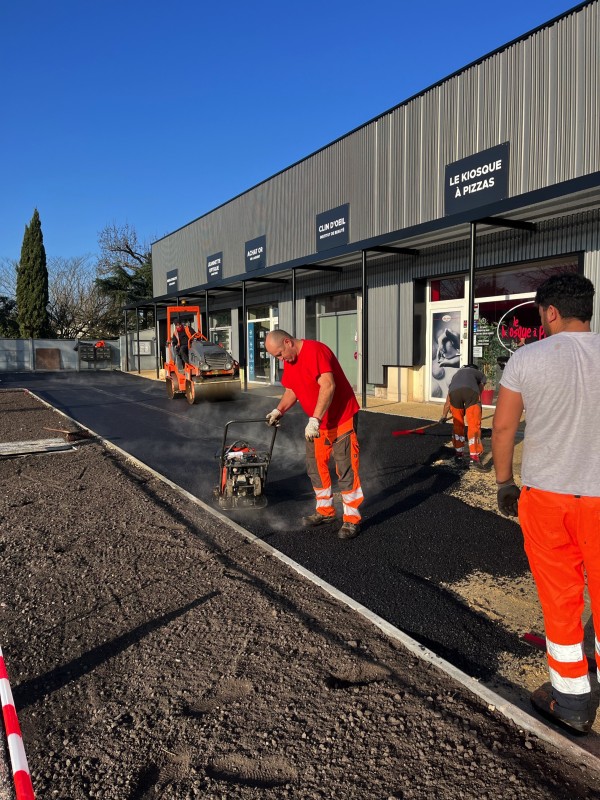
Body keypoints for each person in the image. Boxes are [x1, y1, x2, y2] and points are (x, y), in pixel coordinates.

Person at [492, 272, 600, 735]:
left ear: (551, 311)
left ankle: (572, 702)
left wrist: (504, 483)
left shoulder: (527, 358)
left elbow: (503, 427)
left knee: (561, 599)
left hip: (548, 500)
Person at [264, 330, 363, 540]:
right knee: (315, 465)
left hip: (341, 419)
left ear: (288, 342)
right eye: (276, 357)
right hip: (318, 424)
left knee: (345, 469)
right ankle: (325, 511)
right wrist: (279, 410)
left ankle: (351, 519)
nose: (280, 359)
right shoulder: (290, 361)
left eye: (279, 354)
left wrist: (314, 420)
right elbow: (292, 390)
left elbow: (328, 385)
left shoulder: (315, 351)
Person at [439, 364, 488, 471]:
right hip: (471, 394)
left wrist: (443, 416)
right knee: (474, 425)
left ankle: (458, 454)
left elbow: (448, 401)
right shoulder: (478, 373)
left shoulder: (456, 376)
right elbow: (480, 388)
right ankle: (474, 458)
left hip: (454, 394)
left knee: (458, 424)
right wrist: (473, 402)